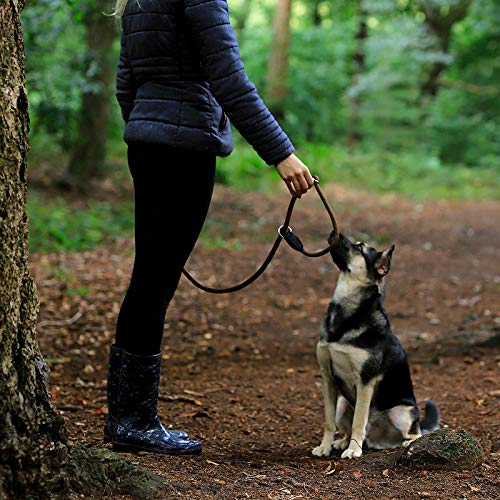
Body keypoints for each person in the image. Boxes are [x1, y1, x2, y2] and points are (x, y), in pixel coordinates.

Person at [105, 0, 314, 455]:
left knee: (149, 278)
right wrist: (281, 153)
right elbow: (229, 77)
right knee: (154, 283)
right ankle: (132, 422)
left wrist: (145, 129)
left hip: (147, 145)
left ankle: (129, 417)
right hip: (183, 151)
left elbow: (127, 82)